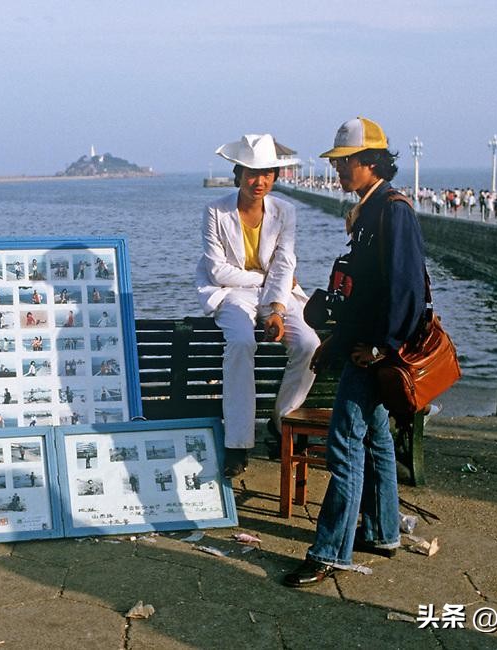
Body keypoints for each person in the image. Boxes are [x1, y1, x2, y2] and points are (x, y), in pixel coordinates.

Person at [284, 117, 427, 588]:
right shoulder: (369, 210)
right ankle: (384, 531)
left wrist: (384, 348)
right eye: (338, 163)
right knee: (375, 436)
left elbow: (405, 289)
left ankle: (330, 551)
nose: (339, 172)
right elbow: (363, 293)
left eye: (345, 163)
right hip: (362, 346)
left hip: (374, 352)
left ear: (370, 163)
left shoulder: (393, 211)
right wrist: (336, 342)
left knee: (345, 443)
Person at [196, 134, 320, 478]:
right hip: (232, 292)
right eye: (252, 172)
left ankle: (282, 425)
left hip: (278, 292)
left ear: (275, 177)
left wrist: (277, 308)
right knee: (240, 343)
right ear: (238, 174)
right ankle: (238, 444)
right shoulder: (215, 211)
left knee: (310, 344)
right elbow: (218, 270)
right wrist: (264, 281)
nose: (259, 181)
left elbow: (284, 263)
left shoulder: (285, 212)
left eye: (266, 173)